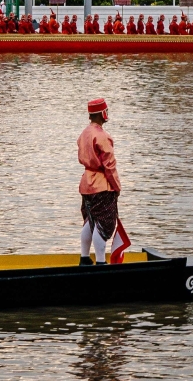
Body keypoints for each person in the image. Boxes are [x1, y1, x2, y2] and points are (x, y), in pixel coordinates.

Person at [77, 98, 121, 266]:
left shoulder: (84, 133)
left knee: (90, 220)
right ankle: (101, 262)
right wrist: (116, 186)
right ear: (102, 114)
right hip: (102, 185)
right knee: (103, 223)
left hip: (86, 183)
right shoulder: (102, 136)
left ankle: (84, 258)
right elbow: (109, 166)